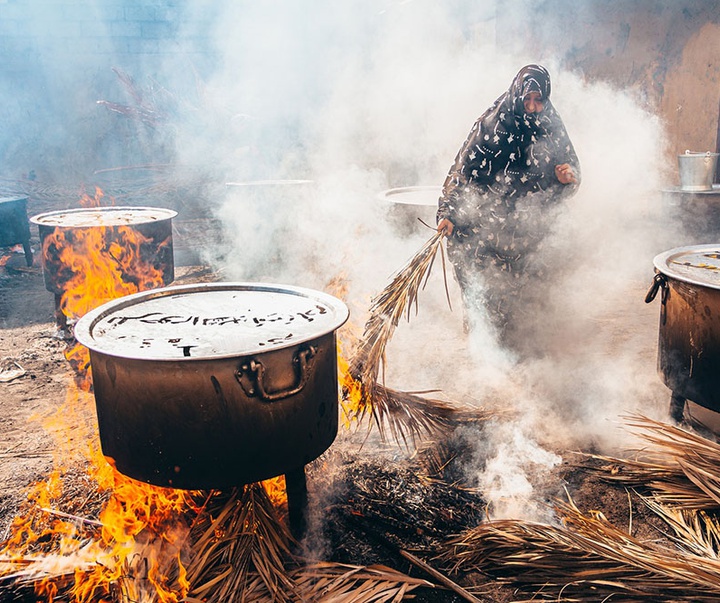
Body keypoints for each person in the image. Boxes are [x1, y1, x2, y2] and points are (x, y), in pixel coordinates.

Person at [436, 64, 580, 351]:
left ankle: (518, 335)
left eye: (539, 100)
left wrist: (568, 175)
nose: (532, 107)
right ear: (517, 95)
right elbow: (461, 172)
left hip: (527, 224)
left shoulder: (551, 124)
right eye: (527, 99)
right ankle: (482, 338)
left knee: (522, 300)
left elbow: (572, 166)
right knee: (484, 289)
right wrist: (449, 213)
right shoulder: (492, 125)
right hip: (486, 222)